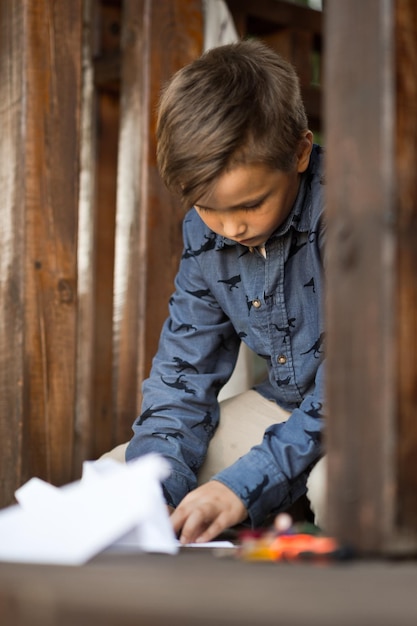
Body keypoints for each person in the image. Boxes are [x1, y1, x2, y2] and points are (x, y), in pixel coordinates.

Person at [125, 39, 326, 544]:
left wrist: (241, 485)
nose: (229, 227)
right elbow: (183, 372)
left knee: (337, 487)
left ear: (300, 152)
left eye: (250, 205)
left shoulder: (348, 215)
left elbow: (362, 378)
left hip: (375, 404)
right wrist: (160, 484)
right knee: (133, 484)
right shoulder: (207, 234)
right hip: (285, 402)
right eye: (207, 208)